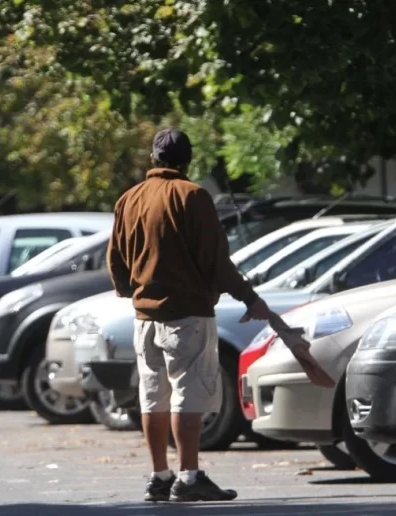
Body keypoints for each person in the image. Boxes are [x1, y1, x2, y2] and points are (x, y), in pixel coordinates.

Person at [107, 128, 273, 503]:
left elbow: (115, 258)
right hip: (188, 315)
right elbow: (216, 261)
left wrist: (132, 291)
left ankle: (158, 476)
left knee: (153, 397)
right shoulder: (193, 196)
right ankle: (189, 475)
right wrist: (250, 299)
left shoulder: (129, 199)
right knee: (188, 394)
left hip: (144, 318)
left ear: (154, 159)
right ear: (187, 161)